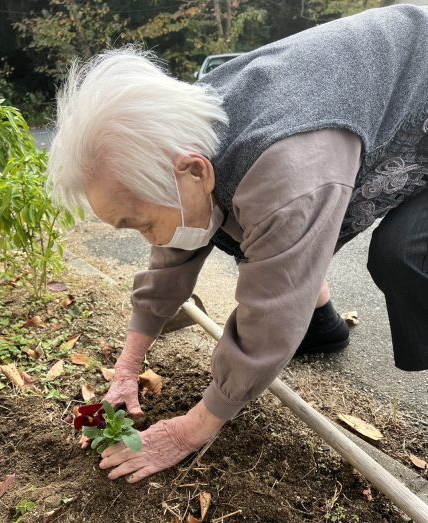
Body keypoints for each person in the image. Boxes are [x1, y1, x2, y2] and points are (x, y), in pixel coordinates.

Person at [48, 4, 428, 484]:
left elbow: (270, 312)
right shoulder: (187, 130)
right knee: (230, 223)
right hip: (372, 93)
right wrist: (127, 366)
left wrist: (191, 428)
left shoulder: (290, 170)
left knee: (407, 253)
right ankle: (322, 326)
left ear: (194, 170)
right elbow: (174, 250)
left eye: (140, 223)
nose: (148, 239)